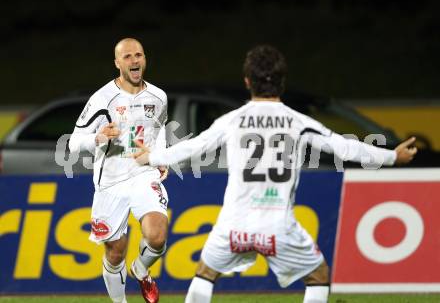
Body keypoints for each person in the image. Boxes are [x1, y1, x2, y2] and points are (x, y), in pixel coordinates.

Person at [132, 45, 417, 303]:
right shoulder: (298, 122)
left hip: (234, 225)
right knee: (318, 277)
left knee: (205, 274)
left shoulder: (232, 121)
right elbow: (345, 148)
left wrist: (151, 157)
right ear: (282, 82)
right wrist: (393, 155)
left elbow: (192, 148)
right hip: (278, 225)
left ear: (247, 81)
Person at [69, 38, 169, 303]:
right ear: (117, 63)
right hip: (110, 182)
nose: (134, 60)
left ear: (145, 59)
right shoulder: (102, 99)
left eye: (139, 55)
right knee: (115, 251)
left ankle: (141, 269)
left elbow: (158, 131)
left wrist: (160, 157)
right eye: (127, 57)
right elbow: (73, 142)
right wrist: (99, 137)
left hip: (143, 173)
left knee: (157, 235)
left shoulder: (158, 97)